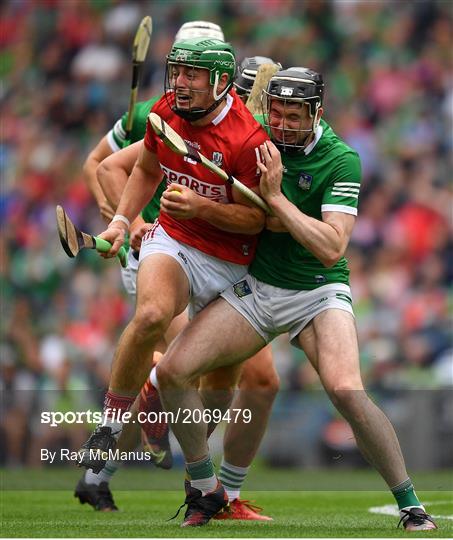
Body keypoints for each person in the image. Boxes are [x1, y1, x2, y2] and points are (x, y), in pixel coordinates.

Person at [153, 67, 438, 531]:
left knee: (346, 389)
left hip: (320, 290)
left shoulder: (341, 159)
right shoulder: (256, 139)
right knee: (172, 371)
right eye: (277, 113)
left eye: (294, 117)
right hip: (260, 289)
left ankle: (410, 505)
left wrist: (277, 202)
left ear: (316, 113)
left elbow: (330, 245)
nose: (282, 125)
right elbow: (242, 213)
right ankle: (205, 490)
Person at [76, 48, 279, 522]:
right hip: (174, 239)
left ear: (220, 82)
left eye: (192, 74)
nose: (181, 83)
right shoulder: (165, 111)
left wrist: (203, 207)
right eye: (178, 72)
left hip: (231, 264)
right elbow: (144, 169)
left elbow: (257, 220)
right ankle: (107, 433)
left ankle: (201, 487)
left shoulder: (248, 139)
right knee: (151, 315)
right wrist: (124, 221)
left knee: (221, 383)